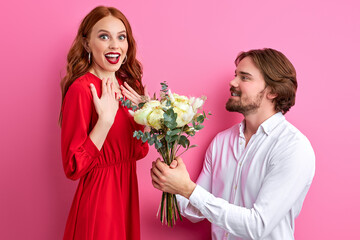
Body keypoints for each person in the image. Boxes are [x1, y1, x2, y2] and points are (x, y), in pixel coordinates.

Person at [151, 48, 315, 240]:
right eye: (235, 75)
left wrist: (187, 188)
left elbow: (258, 226)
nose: (232, 82)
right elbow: (195, 211)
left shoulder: (293, 147)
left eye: (244, 77)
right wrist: (172, 182)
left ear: (272, 92)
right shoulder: (221, 141)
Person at [60, 6, 149, 240]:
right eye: (104, 36)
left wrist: (148, 115)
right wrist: (105, 122)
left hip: (127, 194)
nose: (114, 45)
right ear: (87, 44)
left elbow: (138, 151)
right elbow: (73, 167)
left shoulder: (130, 86)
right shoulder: (81, 90)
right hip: (100, 202)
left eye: (121, 37)